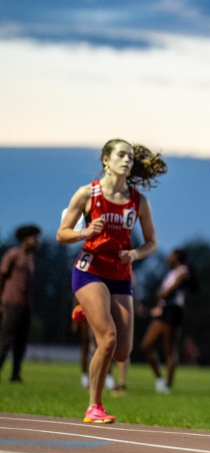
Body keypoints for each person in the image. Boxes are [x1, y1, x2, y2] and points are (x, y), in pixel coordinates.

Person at [58, 139, 165, 423]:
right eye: (121, 155)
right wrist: (85, 232)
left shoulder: (138, 201)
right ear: (106, 160)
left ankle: (87, 311)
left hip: (119, 274)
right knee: (106, 338)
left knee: (122, 352)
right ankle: (94, 406)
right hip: (90, 269)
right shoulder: (87, 194)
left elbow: (152, 242)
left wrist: (135, 253)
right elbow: (61, 234)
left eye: (130, 156)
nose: (127, 160)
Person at [141, 248, 198, 394]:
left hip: (173, 311)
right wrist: (160, 295)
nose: (168, 258)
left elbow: (167, 292)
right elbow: (160, 293)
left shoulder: (183, 272)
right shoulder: (172, 272)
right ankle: (160, 379)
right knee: (146, 345)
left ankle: (168, 385)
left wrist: (162, 294)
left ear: (177, 258)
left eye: (171, 256)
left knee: (170, 350)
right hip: (165, 310)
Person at [0, 224, 41, 383]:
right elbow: (2, 276)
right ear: (25, 239)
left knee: (21, 341)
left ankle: (16, 373)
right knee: (5, 339)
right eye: (34, 238)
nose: (36, 242)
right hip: (10, 302)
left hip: (25, 304)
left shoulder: (31, 258)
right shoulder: (13, 255)